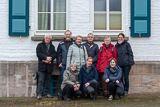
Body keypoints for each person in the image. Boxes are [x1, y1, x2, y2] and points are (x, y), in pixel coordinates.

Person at [36, 34, 57, 100]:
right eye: (46, 38)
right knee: (41, 80)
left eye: (49, 38)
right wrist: (45, 58)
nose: (47, 39)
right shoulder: (40, 45)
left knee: (48, 80)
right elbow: (38, 53)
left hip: (49, 65)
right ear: (44, 38)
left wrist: (50, 58)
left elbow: (55, 54)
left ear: (50, 39)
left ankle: (47, 93)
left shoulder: (52, 46)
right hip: (42, 65)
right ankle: (39, 94)